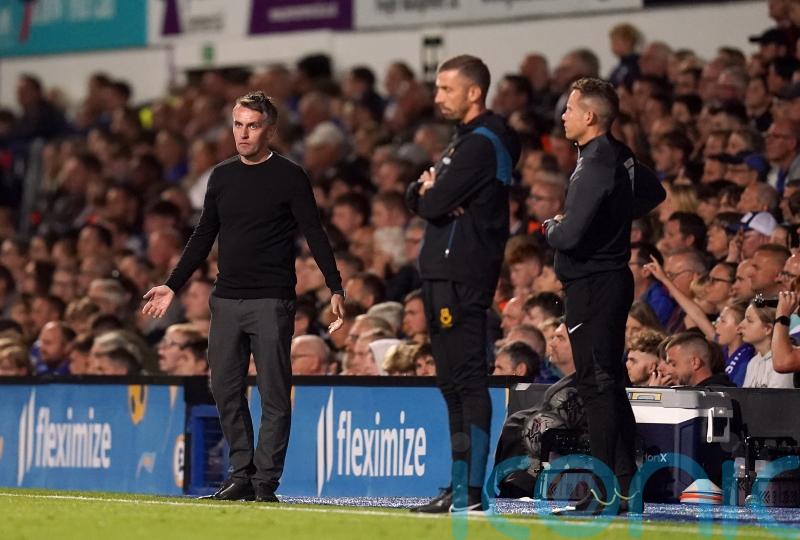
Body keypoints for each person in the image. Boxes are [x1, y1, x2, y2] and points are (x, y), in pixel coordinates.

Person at [142, 91, 345, 503]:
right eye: (238, 125)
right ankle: (241, 473)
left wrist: (334, 285)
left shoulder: (290, 175)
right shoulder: (221, 176)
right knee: (224, 386)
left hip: (271, 299)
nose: (243, 133)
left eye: (252, 125)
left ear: (269, 129)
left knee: (273, 391)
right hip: (226, 298)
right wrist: (172, 283)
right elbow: (203, 235)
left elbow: (314, 233)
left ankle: (265, 481)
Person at [542, 77, 665, 515]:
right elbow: (653, 192)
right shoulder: (617, 155)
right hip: (608, 281)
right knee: (609, 385)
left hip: (593, 285)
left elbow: (569, 234)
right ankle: (627, 491)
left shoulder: (594, 162)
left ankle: (605, 491)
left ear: (590, 116)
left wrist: (550, 225)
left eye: (570, 109)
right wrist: (611, 215)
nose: (564, 116)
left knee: (596, 387)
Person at [406, 55, 520, 513]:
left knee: (466, 380)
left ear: (474, 92)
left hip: (462, 274)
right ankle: (459, 484)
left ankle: (471, 490)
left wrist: (434, 194)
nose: (437, 97)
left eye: (446, 89)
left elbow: (433, 205)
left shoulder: (481, 143)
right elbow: (420, 196)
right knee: (451, 383)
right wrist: (428, 192)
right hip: (442, 273)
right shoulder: (464, 141)